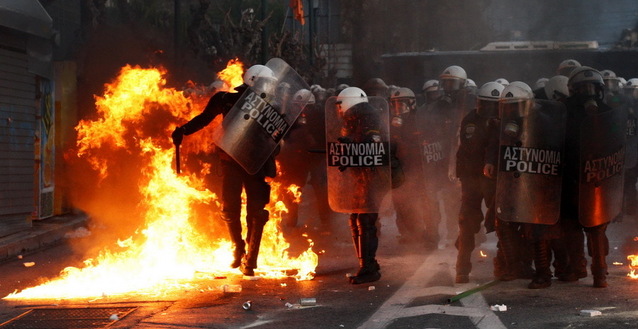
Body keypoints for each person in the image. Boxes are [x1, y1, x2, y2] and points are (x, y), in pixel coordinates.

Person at [171, 64, 278, 277]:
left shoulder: (270, 105)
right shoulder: (225, 99)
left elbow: (277, 134)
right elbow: (204, 118)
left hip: (255, 163)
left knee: (256, 213)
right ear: (254, 80)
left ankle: (251, 257)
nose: (268, 86)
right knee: (230, 208)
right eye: (265, 82)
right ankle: (238, 248)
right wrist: (183, 130)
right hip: (231, 160)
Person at [561, 66, 625, 288]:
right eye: (583, 88)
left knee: (596, 226)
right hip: (571, 175)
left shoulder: (608, 113)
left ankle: (600, 272)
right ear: (574, 91)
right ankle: (577, 267)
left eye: (592, 88)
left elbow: (618, 147)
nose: (588, 93)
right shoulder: (564, 111)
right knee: (570, 226)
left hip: (597, 177)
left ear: (599, 90)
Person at [328, 86, 388, 284]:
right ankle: (367, 263)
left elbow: (373, 143)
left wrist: (351, 142)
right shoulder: (353, 119)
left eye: (340, 105)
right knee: (356, 218)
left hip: (370, 177)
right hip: (360, 177)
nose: (338, 110)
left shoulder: (368, 117)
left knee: (366, 221)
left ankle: (369, 267)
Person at [453, 81, 503, 283]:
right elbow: (470, 147)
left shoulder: (505, 121)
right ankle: (462, 268)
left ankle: (506, 264)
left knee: (502, 221)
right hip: (473, 177)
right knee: (467, 221)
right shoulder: (471, 120)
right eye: (486, 104)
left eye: (494, 105)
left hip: (494, 179)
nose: (489, 110)